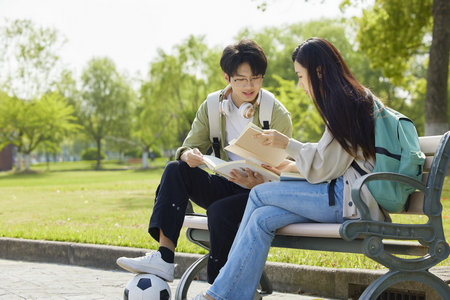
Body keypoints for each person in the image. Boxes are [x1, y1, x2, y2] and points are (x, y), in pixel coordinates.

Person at [192, 37, 390, 300]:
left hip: (351, 201)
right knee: (262, 218)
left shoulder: (345, 102)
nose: (299, 83)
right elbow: (329, 161)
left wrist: (287, 144)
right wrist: (286, 164)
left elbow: (323, 168)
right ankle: (235, 293)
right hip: (341, 194)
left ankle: (220, 294)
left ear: (318, 72)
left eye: (300, 75)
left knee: (259, 195)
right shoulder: (346, 98)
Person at [116, 39, 292, 285]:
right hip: (225, 183)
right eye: (241, 79)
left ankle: (221, 286)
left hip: (258, 194)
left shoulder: (276, 113)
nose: (249, 85)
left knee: (220, 212)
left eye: (256, 77)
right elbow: (189, 146)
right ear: (226, 77)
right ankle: (164, 258)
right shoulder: (211, 106)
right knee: (175, 169)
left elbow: (285, 171)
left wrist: (259, 182)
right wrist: (187, 154)